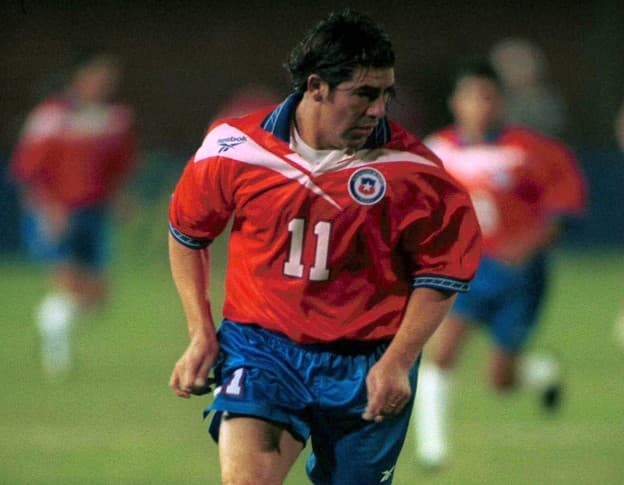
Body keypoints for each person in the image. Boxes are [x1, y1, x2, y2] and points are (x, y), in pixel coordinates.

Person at [167, 9, 481, 485]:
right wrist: (200, 332)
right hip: (262, 349)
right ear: (317, 87)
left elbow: (442, 273)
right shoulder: (234, 149)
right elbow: (188, 234)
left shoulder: (412, 170)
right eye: (365, 94)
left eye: (386, 95)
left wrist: (398, 361)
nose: (378, 109)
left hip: (368, 363)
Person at [413, 57, 587, 468]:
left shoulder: (530, 150)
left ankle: (541, 372)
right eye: (471, 97)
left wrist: (527, 244)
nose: (480, 106)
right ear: (455, 102)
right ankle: (432, 451)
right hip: (465, 270)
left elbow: (563, 208)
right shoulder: (436, 151)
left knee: (500, 380)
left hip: (518, 277)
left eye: (488, 97)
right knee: (441, 351)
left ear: (501, 101)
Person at [10, 53, 138, 377]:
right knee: (69, 282)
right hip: (58, 212)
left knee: (98, 296)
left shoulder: (114, 119)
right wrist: (48, 208)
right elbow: (28, 169)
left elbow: (116, 167)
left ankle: (50, 319)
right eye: (97, 76)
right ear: (79, 77)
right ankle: (56, 352)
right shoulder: (52, 117)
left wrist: (118, 197)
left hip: (94, 213)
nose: (103, 84)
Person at [490, 38, 569, 138]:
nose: (514, 69)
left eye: (519, 63)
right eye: (507, 62)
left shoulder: (546, 104)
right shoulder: (491, 102)